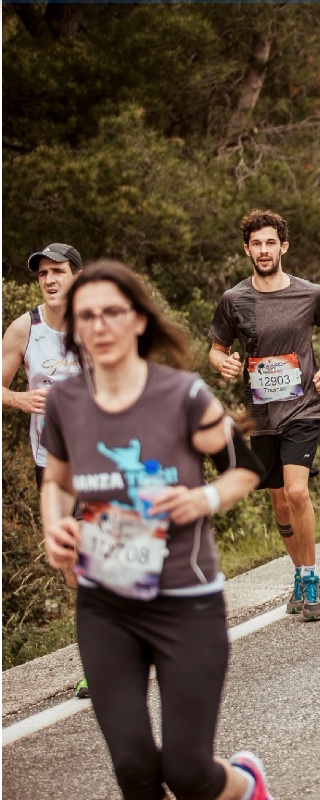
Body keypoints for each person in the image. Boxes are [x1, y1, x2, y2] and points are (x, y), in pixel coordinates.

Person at [41, 260, 272, 800]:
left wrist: (202, 498)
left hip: (185, 602)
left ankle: (246, 785)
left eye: (112, 313)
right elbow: (56, 481)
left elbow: (246, 468)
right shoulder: (66, 402)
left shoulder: (182, 396)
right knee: (135, 771)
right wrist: (56, 527)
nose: (99, 327)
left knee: (189, 774)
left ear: (139, 320)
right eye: (85, 316)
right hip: (105, 605)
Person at [209, 210, 320, 621]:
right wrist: (223, 364)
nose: (264, 250)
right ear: (246, 249)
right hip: (261, 414)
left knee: (298, 491)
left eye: (271, 243)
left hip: (304, 407)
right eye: (256, 244)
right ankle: (297, 571)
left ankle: (310, 576)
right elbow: (216, 349)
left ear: (283, 246)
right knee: (280, 502)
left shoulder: (309, 294)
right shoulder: (235, 300)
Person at [3, 243, 89, 698]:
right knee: (70, 564)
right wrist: (18, 399)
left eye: (57, 271)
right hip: (49, 464)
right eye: (42, 275)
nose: (50, 280)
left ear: (76, 275)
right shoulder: (26, 328)